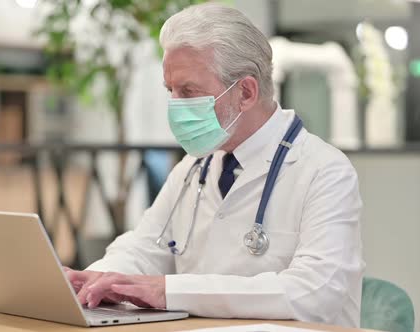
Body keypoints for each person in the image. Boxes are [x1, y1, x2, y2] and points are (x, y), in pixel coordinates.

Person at [64, 2, 364, 328]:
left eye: (189, 91)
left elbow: (315, 292)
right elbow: (144, 247)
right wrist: (98, 278)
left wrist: (169, 291)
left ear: (246, 92)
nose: (175, 106)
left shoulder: (324, 171)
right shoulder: (195, 166)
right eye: (171, 91)